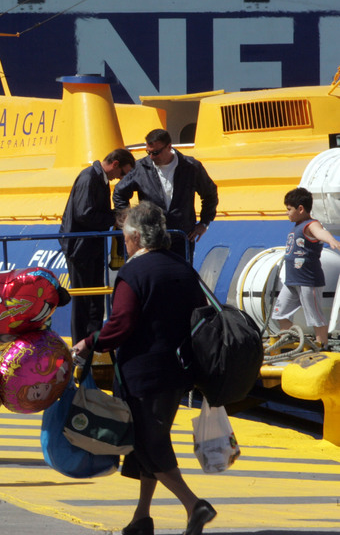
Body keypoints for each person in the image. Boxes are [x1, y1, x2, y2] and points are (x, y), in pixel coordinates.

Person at [72, 202, 216, 535]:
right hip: (178, 371)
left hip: (143, 374)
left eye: (124, 236)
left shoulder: (133, 273)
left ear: (135, 236)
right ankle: (141, 518)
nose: (124, 242)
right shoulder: (182, 267)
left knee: (147, 443)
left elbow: (121, 324)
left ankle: (195, 505)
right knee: (153, 438)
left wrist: (90, 342)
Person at [59, 148, 135, 344]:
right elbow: (84, 213)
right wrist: (115, 217)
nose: (120, 179)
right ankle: (80, 346)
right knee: (83, 302)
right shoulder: (89, 178)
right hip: (80, 248)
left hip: (91, 247)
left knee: (94, 301)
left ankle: (93, 343)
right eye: (122, 174)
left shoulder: (99, 179)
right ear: (115, 164)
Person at [112, 129, 218, 262]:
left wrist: (204, 223)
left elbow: (210, 194)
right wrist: (129, 220)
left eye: (155, 153)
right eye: (148, 152)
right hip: (150, 238)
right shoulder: (141, 168)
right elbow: (119, 193)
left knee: (180, 277)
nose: (151, 157)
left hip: (181, 236)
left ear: (169, 147)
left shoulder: (191, 167)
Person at [271, 187, 340, 349]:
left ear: (300, 209)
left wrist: (331, 240)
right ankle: (288, 342)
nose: (287, 213)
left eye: (289, 209)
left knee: (315, 316)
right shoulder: (297, 226)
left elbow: (320, 232)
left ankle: (322, 346)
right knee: (280, 312)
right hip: (292, 280)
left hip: (308, 280)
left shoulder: (311, 225)